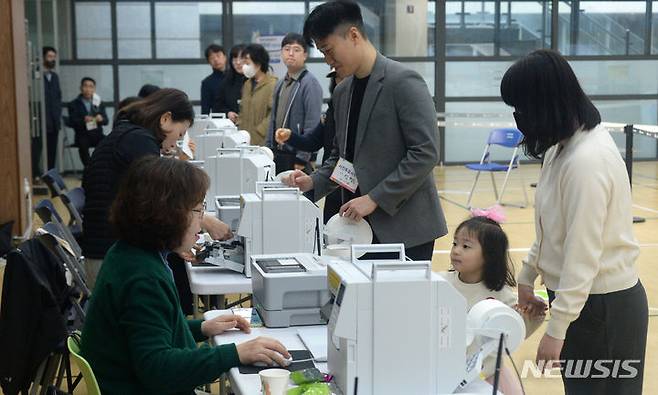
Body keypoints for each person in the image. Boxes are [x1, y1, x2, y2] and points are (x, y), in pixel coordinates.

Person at [502, 49, 648, 394]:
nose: (518, 118)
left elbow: (582, 256)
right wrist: (528, 276)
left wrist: (557, 330)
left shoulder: (587, 160)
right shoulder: (560, 148)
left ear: (544, 103)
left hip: (604, 308)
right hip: (579, 301)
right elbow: (551, 227)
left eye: (522, 108)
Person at [81, 156, 290, 394]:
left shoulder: (128, 253)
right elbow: (158, 369)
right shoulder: (144, 277)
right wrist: (235, 353)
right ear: (168, 214)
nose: (201, 223)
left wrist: (201, 327)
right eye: (198, 210)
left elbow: (148, 332)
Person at [285, 1, 447, 261]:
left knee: (399, 302)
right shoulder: (342, 91)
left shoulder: (403, 81)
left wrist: (376, 198)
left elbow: (425, 152)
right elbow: (343, 157)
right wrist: (314, 181)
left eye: (329, 51)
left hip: (404, 229)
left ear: (353, 35)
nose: (328, 61)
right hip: (355, 229)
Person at [81, 88, 232, 289]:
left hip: (105, 249)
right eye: (179, 134)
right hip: (108, 255)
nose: (175, 144)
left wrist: (177, 241)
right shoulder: (138, 141)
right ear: (166, 119)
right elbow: (160, 200)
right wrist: (207, 221)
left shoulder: (128, 134)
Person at [440, 213, 544, 394]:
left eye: (466, 246)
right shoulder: (441, 283)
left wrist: (533, 315)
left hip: (487, 371)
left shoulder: (502, 296)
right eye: (455, 243)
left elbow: (515, 332)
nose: (456, 250)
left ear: (489, 256)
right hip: (444, 368)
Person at [276, 68, 343, 222]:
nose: (340, 82)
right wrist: (290, 136)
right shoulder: (332, 108)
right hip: (331, 181)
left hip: (352, 186)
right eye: (337, 77)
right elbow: (312, 141)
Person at [266, 33, 323, 174]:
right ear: (281, 53)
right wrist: (268, 148)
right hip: (278, 154)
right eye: (286, 49)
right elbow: (272, 119)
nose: (290, 53)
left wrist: (302, 158)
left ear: (305, 55)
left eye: (296, 50)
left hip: (297, 158)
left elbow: (313, 123)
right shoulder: (280, 83)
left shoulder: (310, 83)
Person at [238, 44, 277, 146]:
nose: (244, 66)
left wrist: (260, 131)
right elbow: (242, 109)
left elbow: (273, 114)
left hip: (262, 141)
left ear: (258, 63)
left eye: (247, 62)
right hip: (244, 140)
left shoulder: (273, 84)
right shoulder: (247, 84)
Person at [67, 77, 108, 167]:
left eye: (91, 86)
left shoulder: (98, 102)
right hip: (82, 134)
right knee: (83, 145)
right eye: (85, 86)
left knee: (108, 143)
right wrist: (83, 120)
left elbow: (106, 121)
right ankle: (89, 168)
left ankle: (101, 167)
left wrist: (101, 119)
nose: (88, 89)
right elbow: (71, 122)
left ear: (94, 89)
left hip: (97, 134)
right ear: (81, 88)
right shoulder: (74, 104)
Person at [42, 46, 62, 171]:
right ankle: (37, 174)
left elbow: (58, 97)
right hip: (40, 120)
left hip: (54, 121)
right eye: (49, 56)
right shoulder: (36, 75)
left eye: (54, 57)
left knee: (52, 149)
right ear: (43, 58)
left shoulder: (55, 77)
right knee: (38, 149)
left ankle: (50, 173)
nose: (52, 60)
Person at [215, 44, 246, 124]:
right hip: (231, 127)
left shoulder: (255, 79)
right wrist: (228, 113)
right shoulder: (226, 81)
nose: (238, 62)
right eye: (235, 58)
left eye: (241, 58)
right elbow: (218, 106)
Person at [201, 44, 226, 114]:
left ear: (225, 57)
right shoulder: (207, 83)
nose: (216, 60)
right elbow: (205, 109)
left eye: (218, 56)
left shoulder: (235, 78)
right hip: (218, 121)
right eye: (212, 58)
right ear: (209, 62)